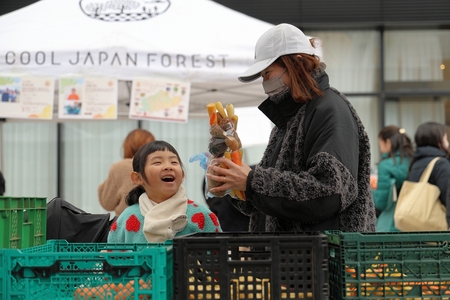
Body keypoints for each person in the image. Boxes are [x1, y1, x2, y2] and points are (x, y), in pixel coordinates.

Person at [206, 23, 376, 232]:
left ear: (296, 63)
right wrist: (233, 183)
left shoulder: (329, 109)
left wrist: (251, 180)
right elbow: (272, 201)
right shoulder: (290, 117)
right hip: (289, 257)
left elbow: (330, 190)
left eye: (267, 73)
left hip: (322, 257)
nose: (264, 82)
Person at [108, 140, 222, 243]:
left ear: (182, 175)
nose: (168, 167)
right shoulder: (127, 218)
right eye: (157, 162)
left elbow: (220, 254)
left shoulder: (202, 215)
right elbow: (112, 258)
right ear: (138, 178)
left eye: (174, 162)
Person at [98, 128, 155, 216]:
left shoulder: (119, 168)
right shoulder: (158, 167)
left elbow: (107, 203)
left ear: (127, 146)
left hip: (125, 223)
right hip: (155, 221)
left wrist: (101, 188)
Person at [408, 122, 450, 226]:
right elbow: (447, 196)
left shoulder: (416, 162)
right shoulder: (440, 164)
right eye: (445, 138)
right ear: (438, 140)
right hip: (437, 228)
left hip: (417, 225)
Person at [372, 126, 414, 232]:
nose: (381, 150)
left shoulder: (385, 166)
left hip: (393, 223)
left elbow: (382, 202)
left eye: (380, 144)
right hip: (415, 220)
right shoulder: (414, 161)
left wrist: (368, 190)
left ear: (388, 142)